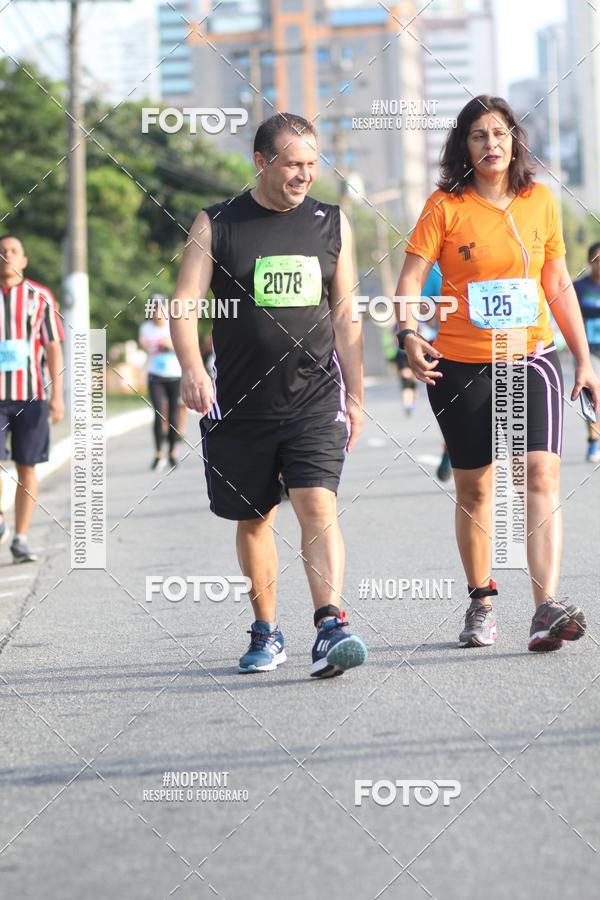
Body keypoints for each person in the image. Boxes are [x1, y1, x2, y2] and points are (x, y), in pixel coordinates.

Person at [395, 95, 600, 652]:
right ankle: (481, 601)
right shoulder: (444, 205)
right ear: (464, 145)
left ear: (515, 142)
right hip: (461, 364)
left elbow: (556, 283)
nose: (491, 145)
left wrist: (582, 358)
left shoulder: (540, 201)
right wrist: (409, 333)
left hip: (531, 355)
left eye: (501, 134)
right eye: (479, 135)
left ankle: (544, 607)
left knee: (540, 472)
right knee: (476, 488)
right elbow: (411, 278)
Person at [171, 112, 367, 678]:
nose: (305, 175)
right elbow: (183, 304)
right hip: (239, 402)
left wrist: (355, 396)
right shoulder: (217, 223)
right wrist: (191, 368)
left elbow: (346, 314)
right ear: (261, 162)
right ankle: (267, 630)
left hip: (313, 396)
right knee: (254, 518)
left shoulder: (333, 223)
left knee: (317, 504)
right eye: (293, 164)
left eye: (312, 164)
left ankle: (331, 626)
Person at [0, 234, 64, 562]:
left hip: (31, 395)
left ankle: (21, 537)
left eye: (13, 251)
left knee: (27, 467)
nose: (6, 255)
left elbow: (53, 346)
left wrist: (58, 395)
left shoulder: (40, 297)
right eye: (2, 251)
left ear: (23, 260)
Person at [139, 295, 182, 470]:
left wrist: (168, 345)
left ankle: (172, 450)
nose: (158, 312)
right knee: (158, 414)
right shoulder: (146, 327)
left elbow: (181, 346)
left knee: (173, 415)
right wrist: (152, 345)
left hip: (174, 375)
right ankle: (158, 453)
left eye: (161, 308)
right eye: (154, 308)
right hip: (155, 375)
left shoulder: (174, 325)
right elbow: (144, 345)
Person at [573, 242, 600, 462]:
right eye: (597, 260)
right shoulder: (579, 288)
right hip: (588, 350)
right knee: (591, 396)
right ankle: (593, 441)